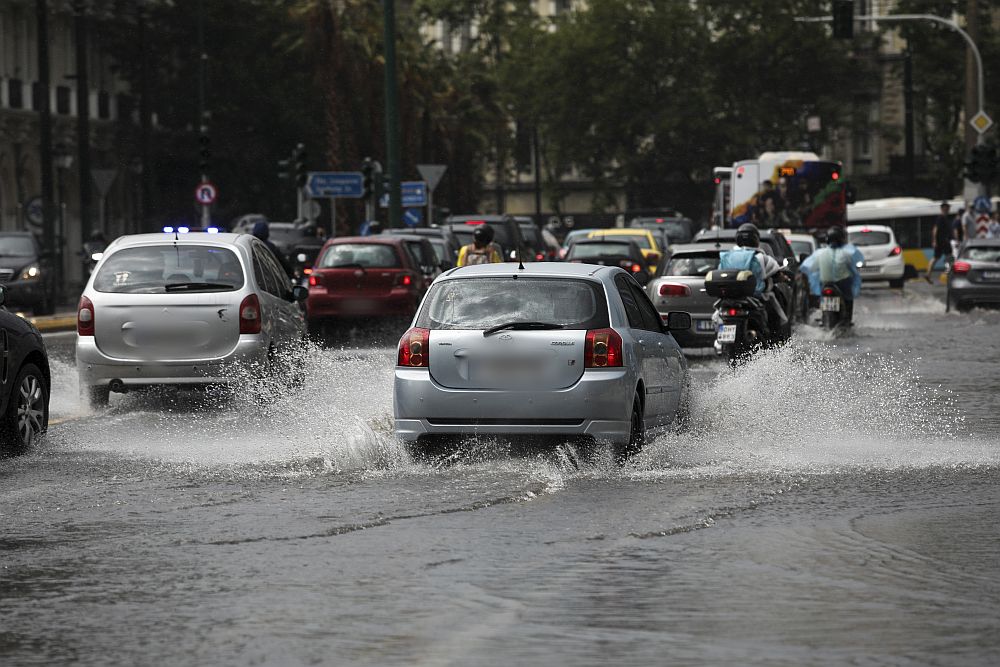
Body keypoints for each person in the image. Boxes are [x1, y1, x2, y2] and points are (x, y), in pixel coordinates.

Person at [718, 222, 788, 339]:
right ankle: (776, 340)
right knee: (775, 306)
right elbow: (776, 271)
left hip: (729, 298)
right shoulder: (761, 257)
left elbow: (720, 272)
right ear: (756, 239)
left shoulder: (726, 256)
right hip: (756, 296)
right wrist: (783, 277)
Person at [801, 225, 863, 324]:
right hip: (842, 284)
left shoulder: (820, 253)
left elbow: (811, 268)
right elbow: (853, 269)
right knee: (848, 297)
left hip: (825, 283)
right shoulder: (846, 253)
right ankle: (847, 318)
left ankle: (823, 316)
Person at [926, 202, 953, 282]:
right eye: (947, 208)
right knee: (949, 257)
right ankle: (948, 274)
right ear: (943, 208)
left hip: (942, 241)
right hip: (942, 241)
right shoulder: (941, 218)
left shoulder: (944, 218)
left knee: (937, 258)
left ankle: (928, 274)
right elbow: (935, 229)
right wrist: (934, 241)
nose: (948, 209)